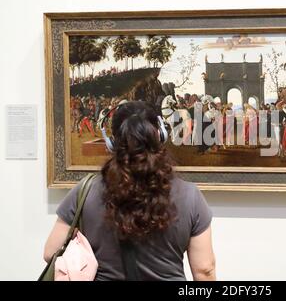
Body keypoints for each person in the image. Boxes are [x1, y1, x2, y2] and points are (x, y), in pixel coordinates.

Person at [44, 101, 215, 281]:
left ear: (112, 142)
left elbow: (50, 253)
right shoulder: (190, 195)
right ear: (160, 135)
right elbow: (204, 270)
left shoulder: (85, 192)